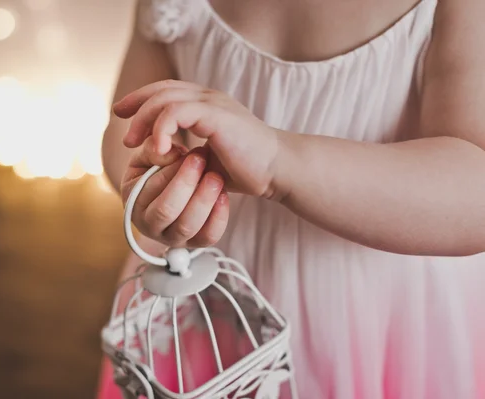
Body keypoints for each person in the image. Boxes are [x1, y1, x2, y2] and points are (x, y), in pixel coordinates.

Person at [97, 0, 485, 397]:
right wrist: (161, 183)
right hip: (209, 293)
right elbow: (131, 122)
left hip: (383, 318)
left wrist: (277, 160)